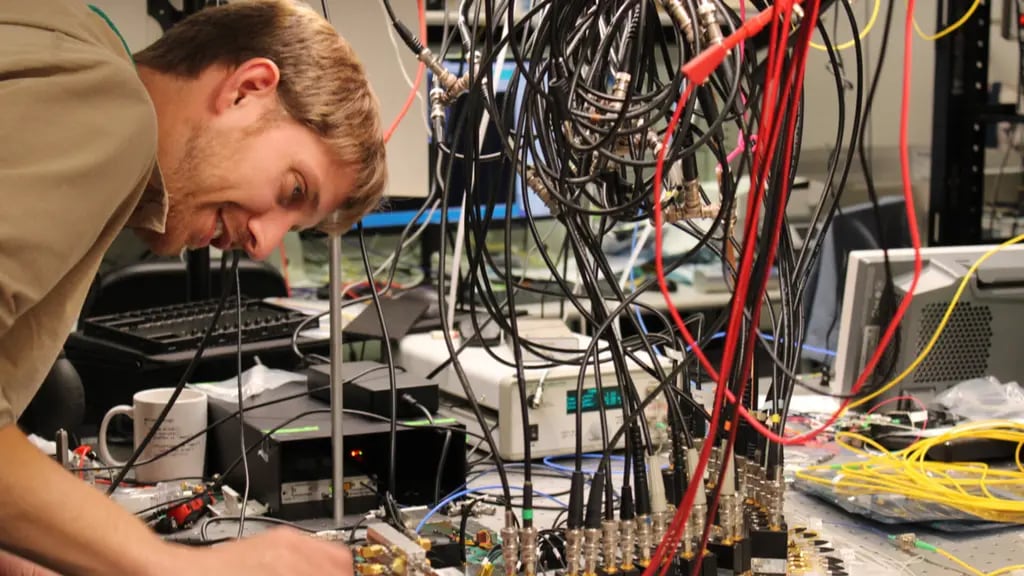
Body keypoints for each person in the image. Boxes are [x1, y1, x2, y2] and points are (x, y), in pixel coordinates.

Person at [0, 0, 387, 574]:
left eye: (294, 227)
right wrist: (185, 568)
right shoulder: (115, 112)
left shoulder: (57, 58)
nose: (262, 243)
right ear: (247, 89)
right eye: (291, 188)